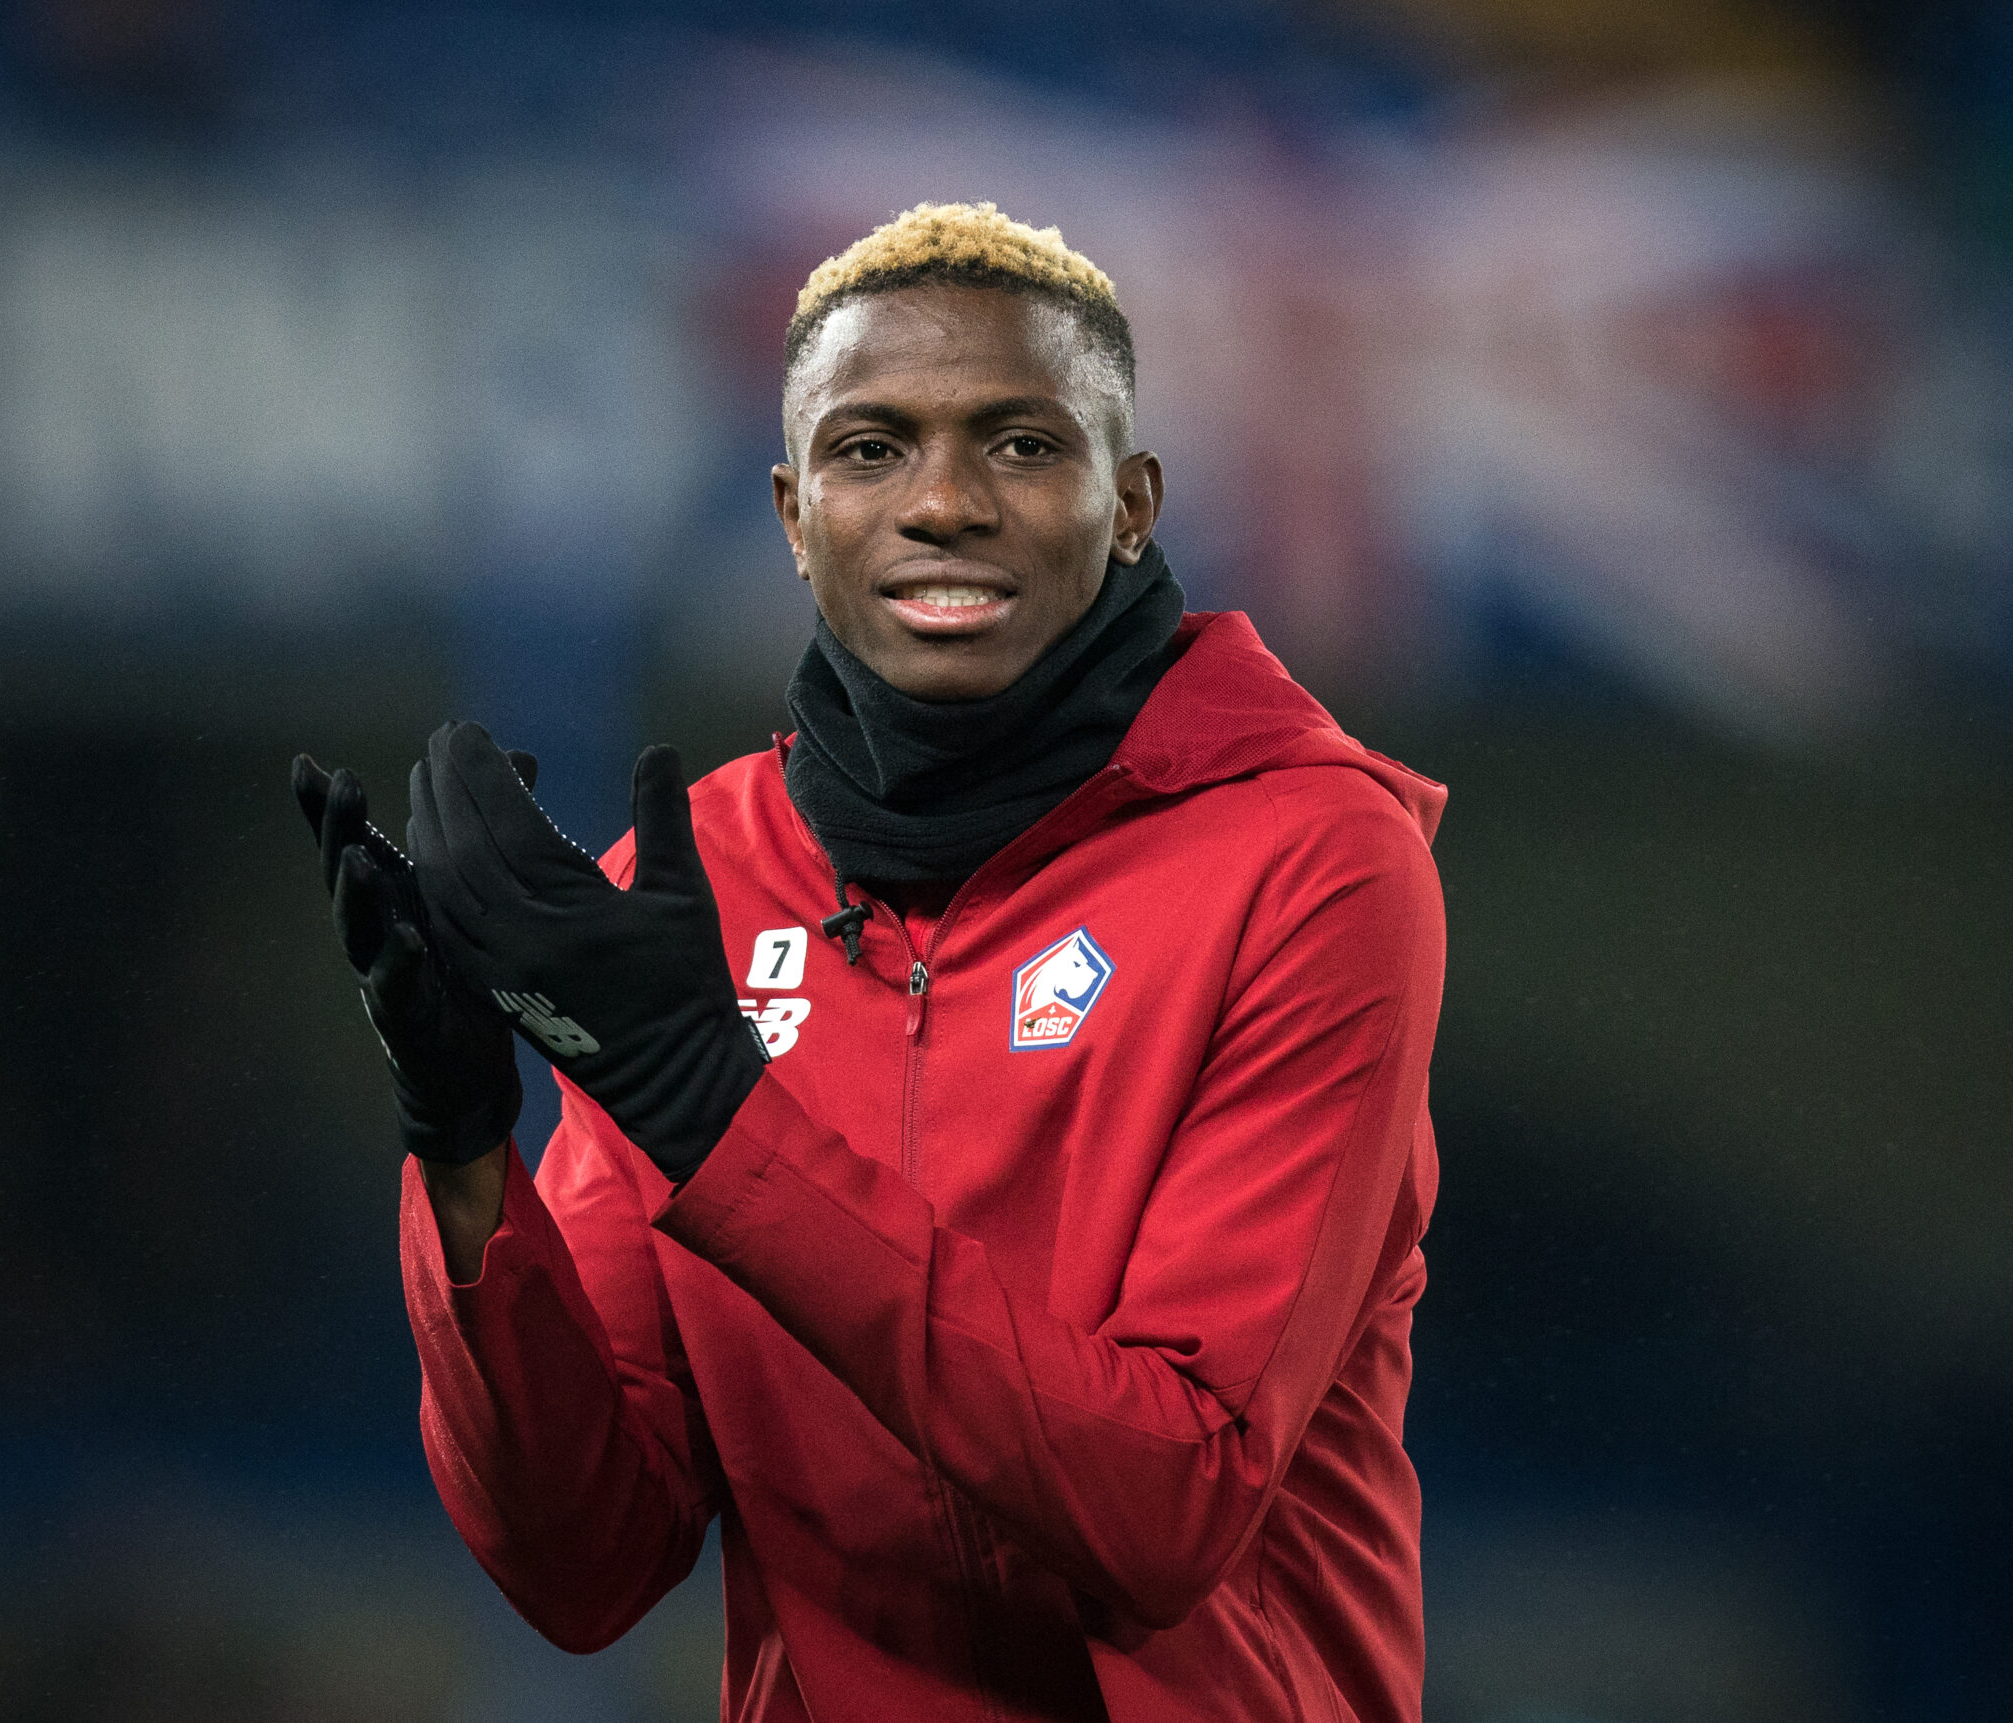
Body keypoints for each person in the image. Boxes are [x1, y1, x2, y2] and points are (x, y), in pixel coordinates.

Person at [293, 202, 1447, 1722]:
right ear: (791, 512)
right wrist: (460, 1152)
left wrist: (717, 1120)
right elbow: (585, 1567)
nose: (945, 502)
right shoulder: (687, 900)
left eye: (1024, 445)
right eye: (870, 448)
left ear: (1134, 503)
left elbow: (1173, 1497)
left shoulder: (1310, 864)